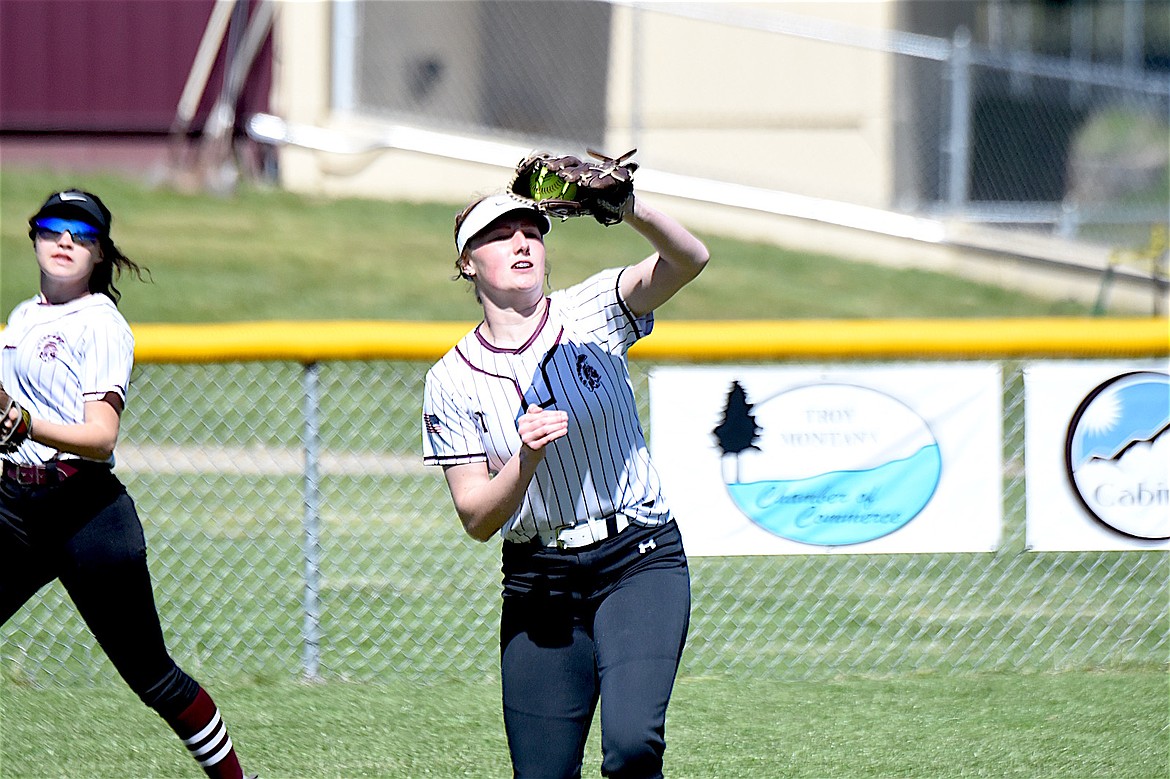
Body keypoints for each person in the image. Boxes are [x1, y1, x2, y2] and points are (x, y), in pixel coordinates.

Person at [422, 173, 710, 778]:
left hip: (637, 557)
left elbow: (689, 259)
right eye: (499, 235)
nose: (521, 242)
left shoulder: (592, 309)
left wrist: (628, 208)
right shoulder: (451, 379)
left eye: (532, 231)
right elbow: (476, 518)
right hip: (540, 578)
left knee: (631, 746)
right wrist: (524, 460)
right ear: (467, 263)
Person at [0, 190, 256, 779]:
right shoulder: (22, 316)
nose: (66, 240)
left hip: (85, 511)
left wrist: (24, 423)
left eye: (84, 233)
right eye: (54, 226)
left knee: (153, 677)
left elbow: (100, 437)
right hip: (16, 503)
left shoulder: (101, 324)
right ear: (33, 235)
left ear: (100, 253)